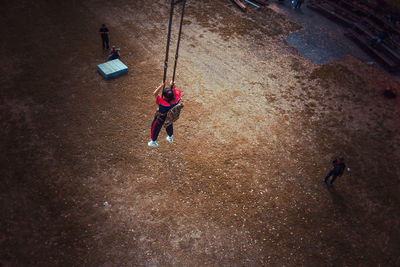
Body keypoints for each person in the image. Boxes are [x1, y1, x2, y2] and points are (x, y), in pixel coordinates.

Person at [148, 81, 182, 148]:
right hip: (169, 116)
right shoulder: (176, 100)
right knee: (169, 124)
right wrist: (173, 85)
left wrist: (161, 86)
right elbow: (174, 92)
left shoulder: (162, 102)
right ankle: (170, 136)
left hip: (160, 117)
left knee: (155, 127)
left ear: (164, 96)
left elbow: (155, 94)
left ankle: (153, 141)